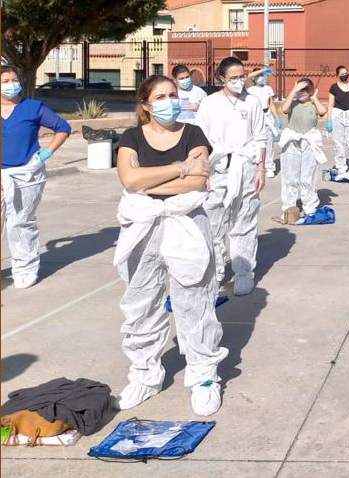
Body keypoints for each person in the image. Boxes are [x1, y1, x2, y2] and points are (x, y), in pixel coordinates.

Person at [113, 74, 227, 416]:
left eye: (172, 94)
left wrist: (156, 179)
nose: (169, 101)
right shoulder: (132, 136)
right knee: (140, 303)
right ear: (146, 105)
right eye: (160, 96)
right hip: (143, 228)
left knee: (195, 299)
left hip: (187, 225)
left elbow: (198, 180)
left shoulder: (193, 133)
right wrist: (178, 168)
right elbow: (129, 179)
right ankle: (145, 374)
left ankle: (204, 375)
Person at [195, 57, 268, 296]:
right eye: (233, 78)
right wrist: (202, 172)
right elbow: (200, 141)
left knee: (244, 220)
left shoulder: (253, 102)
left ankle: (244, 272)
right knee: (212, 223)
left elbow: (260, 137)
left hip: (245, 166)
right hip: (218, 169)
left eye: (241, 76)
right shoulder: (209, 103)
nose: (238, 81)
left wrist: (261, 168)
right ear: (221, 78)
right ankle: (215, 271)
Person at [1, 65, 71, 289]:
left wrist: (47, 152)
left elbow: (63, 127)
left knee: (21, 222)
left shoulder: (32, 107)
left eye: (14, 79)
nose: (12, 84)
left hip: (26, 175)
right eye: (5, 81)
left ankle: (25, 268)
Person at [278, 78, 328, 218]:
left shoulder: (313, 105)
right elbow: (284, 109)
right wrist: (294, 91)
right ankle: (289, 208)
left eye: (304, 91)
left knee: (308, 176)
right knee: (290, 176)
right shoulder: (293, 104)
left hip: (309, 142)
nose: (301, 94)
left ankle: (310, 207)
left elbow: (323, 111)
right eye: (300, 91)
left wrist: (315, 98)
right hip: (292, 142)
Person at [246, 67, 279, 178]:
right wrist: (261, 71)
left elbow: (271, 104)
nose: (261, 78)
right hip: (254, 116)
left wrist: (276, 117)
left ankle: (269, 167)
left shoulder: (268, 88)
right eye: (259, 76)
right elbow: (247, 77)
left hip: (266, 115)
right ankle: (256, 165)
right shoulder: (250, 89)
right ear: (255, 78)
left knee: (268, 142)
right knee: (254, 141)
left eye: (263, 76)